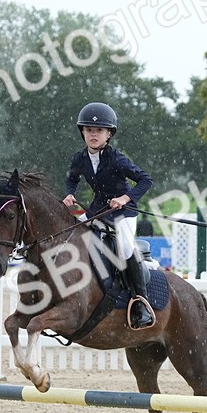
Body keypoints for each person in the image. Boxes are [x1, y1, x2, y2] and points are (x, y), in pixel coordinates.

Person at [62, 102, 155, 329]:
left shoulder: (116, 159)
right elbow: (71, 178)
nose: (94, 135)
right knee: (73, 234)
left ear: (109, 134)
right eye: (89, 130)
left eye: (99, 131)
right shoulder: (80, 158)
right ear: (82, 132)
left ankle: (140, 302)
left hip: (123, 213)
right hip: (98, 211)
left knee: (124, 248)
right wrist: (69, 194)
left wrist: (124, 198)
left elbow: (145, 180)